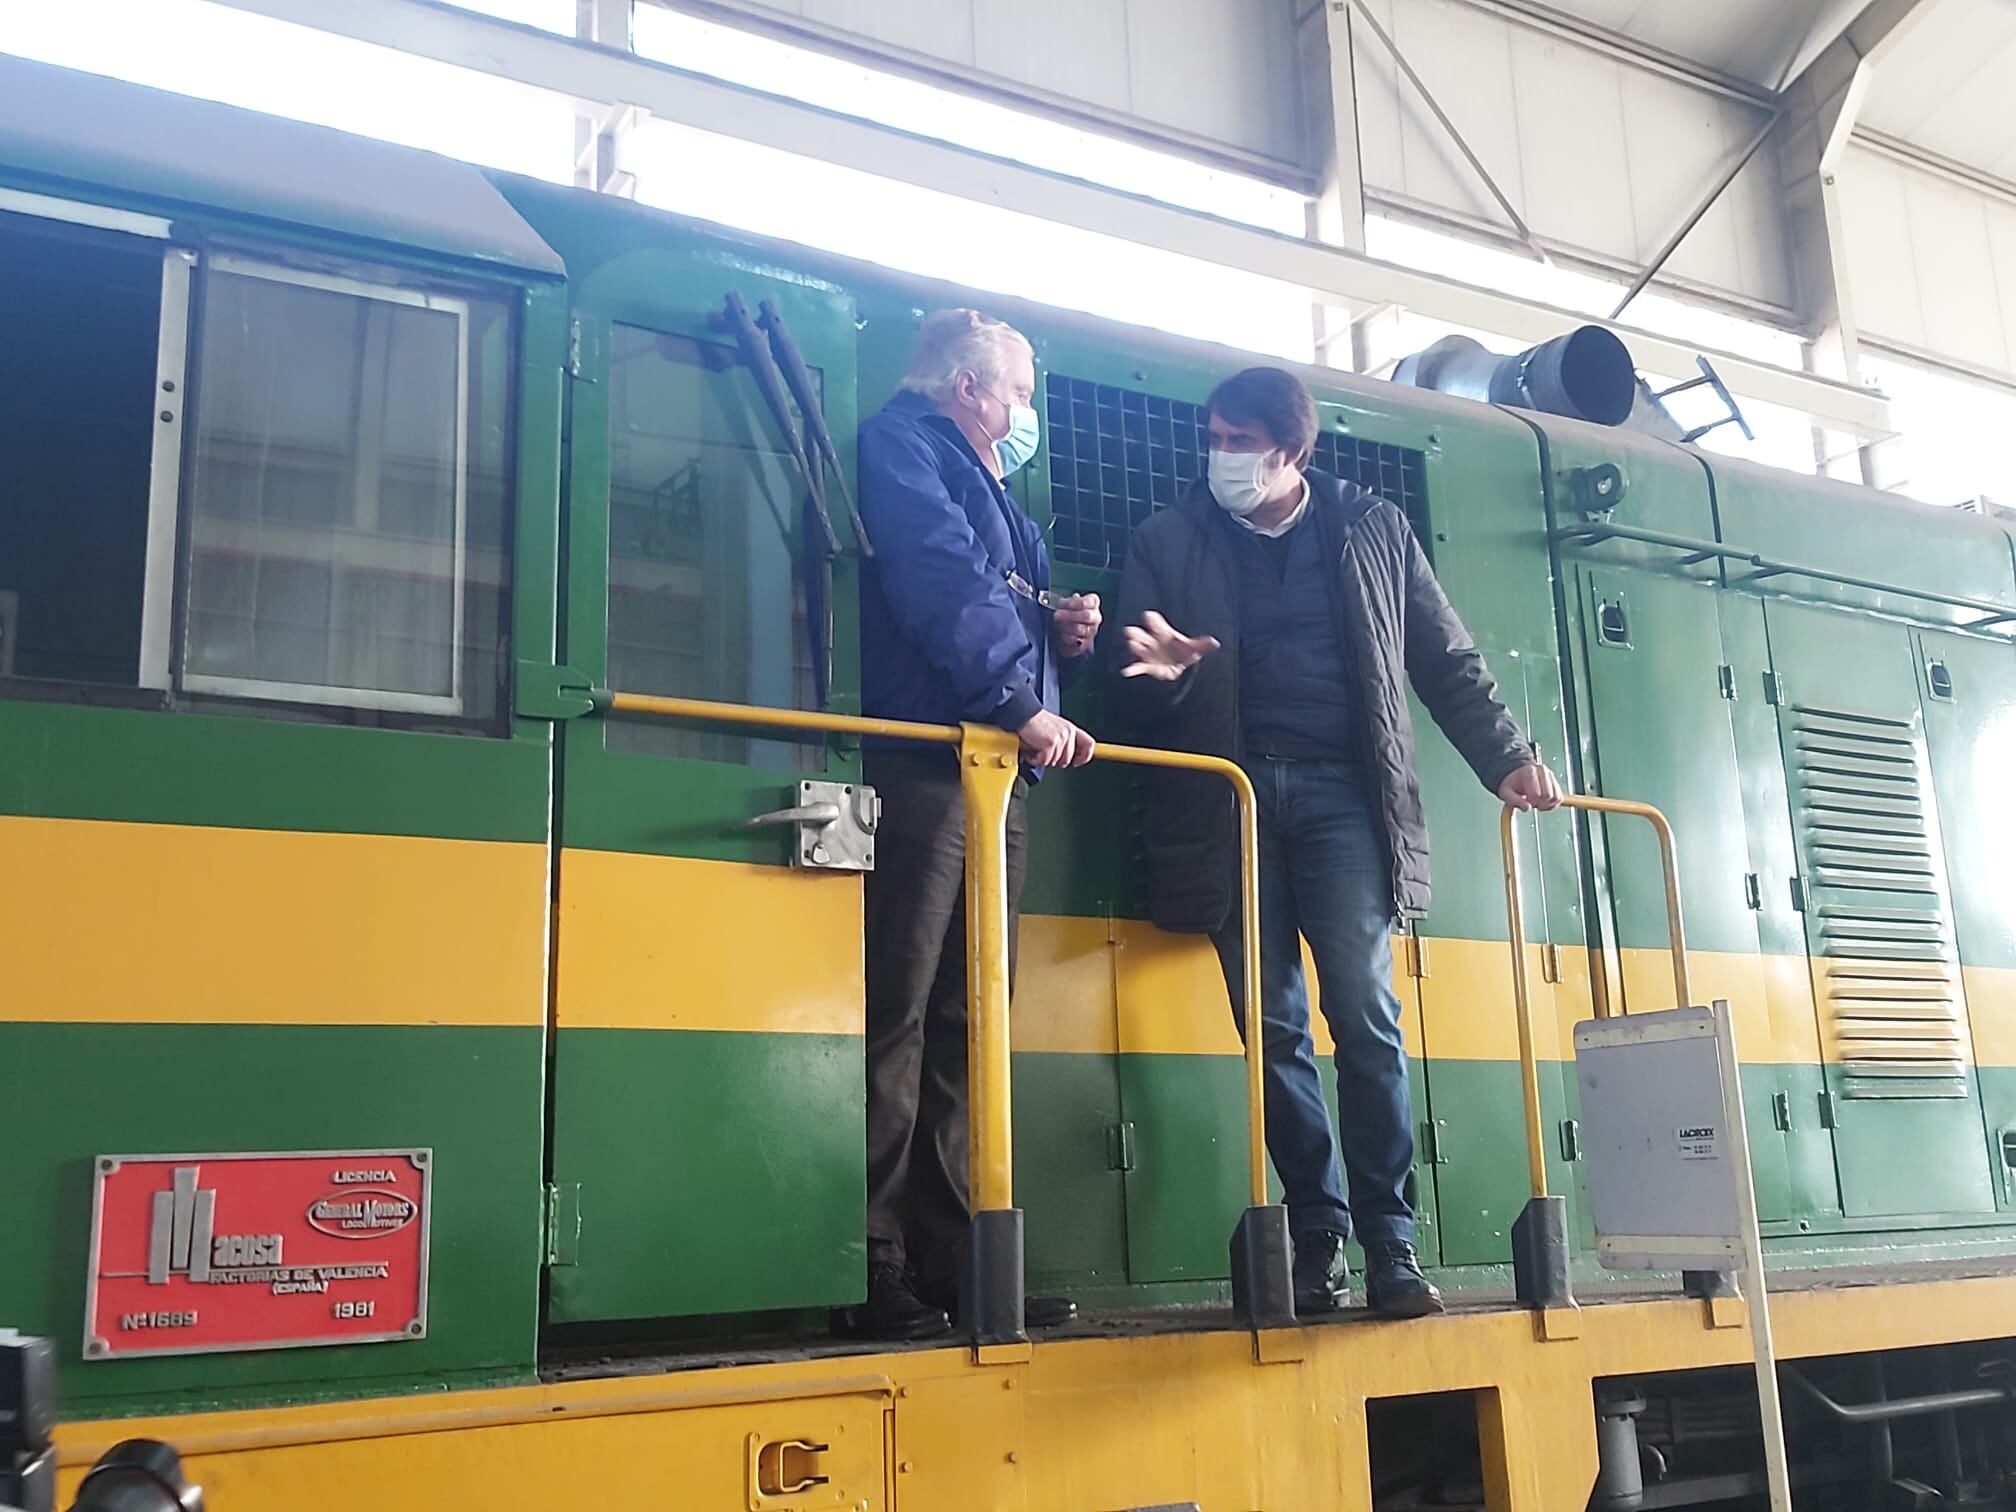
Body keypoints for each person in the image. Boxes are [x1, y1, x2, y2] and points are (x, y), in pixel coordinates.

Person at [1110, 366, 1561, 1318]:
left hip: (1345, 802)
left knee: (1364, 1011)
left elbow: (1445, 658)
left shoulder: (1371, 530)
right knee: (1270, 1025)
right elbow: (1126, 676)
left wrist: (1508, 760)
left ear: (1291, 450)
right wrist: (1164, 674)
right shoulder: (1166, 538)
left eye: (1239, 439)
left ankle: (1391, 1240)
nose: (1220, 454)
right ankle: (1318, 1233)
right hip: (1226, 802)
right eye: (1214, 435)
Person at [841, 309, 1101, 1341]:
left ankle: (957, 1261)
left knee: (968, 1020)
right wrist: (1020, 697)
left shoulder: (1000, 492)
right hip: (930, 768)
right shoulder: (903, 448)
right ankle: (871, 1261)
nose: (1026, 411)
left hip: (992, 769)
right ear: (968, 387)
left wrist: (1060, 642)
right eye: (1020, 392)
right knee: (901, 1013)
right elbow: (938, 579)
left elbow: (994, 604)